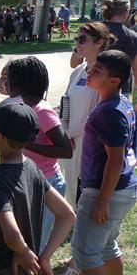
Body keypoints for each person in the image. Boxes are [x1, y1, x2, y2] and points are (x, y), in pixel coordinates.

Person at [0, 102, 75, 275]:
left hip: (3, 267)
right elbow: (67, 215)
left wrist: (22, 251)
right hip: (29, 266)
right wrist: (44, 257)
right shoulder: (32, 167)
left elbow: (11, 232)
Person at [71, 50, 137, 275]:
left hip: (105, 190)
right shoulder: (124, 104)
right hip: (123, 188)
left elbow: (115, 160)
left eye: (97, 71)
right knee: (106, 246)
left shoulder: (108, 113)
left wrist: (102, 200)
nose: (89, 72)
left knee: (85, 252)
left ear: (114, 81)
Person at [7, 56, 73, 253]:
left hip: (47, 184)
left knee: (36, 246)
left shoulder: (42, 111)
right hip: (28, 181)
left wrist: (27, 144)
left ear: (19, 83)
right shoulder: (22, 107)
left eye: (8, 78)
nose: (5, 83)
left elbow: (65, 150)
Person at [59, 22, 115, 209]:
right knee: (69, 183)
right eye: (76, 39)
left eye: (83, 39)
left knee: (86, 185)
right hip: (71, 140)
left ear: (99, 43)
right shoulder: (78, 71)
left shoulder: (107, 74)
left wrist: (70, 134)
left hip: (91, 141)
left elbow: (98, 114)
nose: (78, 44)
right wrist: (66, 132)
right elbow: (65, 102)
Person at [102, 0, 137, 97]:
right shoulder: (132, 37)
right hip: (119, 91)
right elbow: (136, 71)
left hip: (91, 85)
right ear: (126, 13)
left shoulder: (93, 30)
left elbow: (74, 63)